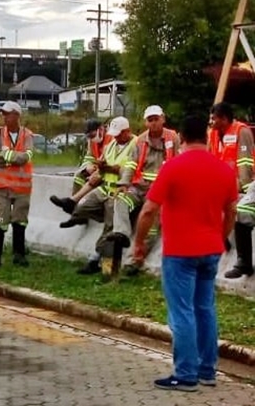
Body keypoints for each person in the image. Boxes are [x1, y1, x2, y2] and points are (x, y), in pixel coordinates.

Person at [132, 115, 237, 392]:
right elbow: (231, 213)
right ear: (205, 136)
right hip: (211, 250)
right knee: (205, 309)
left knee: (182, 312)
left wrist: (139, 242)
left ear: (182, 137)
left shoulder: (173, 167)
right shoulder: (225, 170)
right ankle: (207, 371)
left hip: (180, 252)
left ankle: (186, 374)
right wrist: (220, 237)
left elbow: (148, 210)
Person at [102, 105, 180, 276]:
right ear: (146, 122)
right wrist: (124, 183)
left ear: (163, 119)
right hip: (139, 187)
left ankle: (134, 261)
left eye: (156, 119)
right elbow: (131, 164)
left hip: (160, 191)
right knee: (120, 199)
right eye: (150, 120)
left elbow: (178, 162)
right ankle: (121, 233)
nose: (153, 123)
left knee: (150, 227)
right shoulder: (141, 140)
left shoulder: (173, 138)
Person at [64, 117, 138, 274]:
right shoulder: (111, 145)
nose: (116, 137)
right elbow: (102, 164)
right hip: (104, 189)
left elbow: (129, 171)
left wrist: (111, 169)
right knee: (82, 206)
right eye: (114, 134)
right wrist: (100, 168)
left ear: (127, 131)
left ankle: (102, 264)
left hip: (119, 192)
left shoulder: (135, 144)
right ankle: (100, 218)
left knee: (110, 229)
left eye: (119, 134)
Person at [0, 101, 34, 270]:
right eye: (3, 114)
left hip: (22, 188)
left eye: (7, 114)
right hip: (2, 187)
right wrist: (13, 157)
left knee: (20, 221)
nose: (4, 117)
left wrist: (6, 154)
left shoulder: (27, 135)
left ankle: (19, 255)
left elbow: (26, 157)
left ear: (17, 115)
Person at [208, 103, 255, 279]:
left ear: (225, 119)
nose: (211, 122)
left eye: (214, 118)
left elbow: (245, 162)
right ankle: (221, 241)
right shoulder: (213, 134)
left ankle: (240, 258)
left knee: (239, 210)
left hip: (239, 183)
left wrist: (244, 186)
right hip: (221, 182)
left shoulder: (241, 131)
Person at [50, 119, 112, 214]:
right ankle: (74, 205)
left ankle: (73, 204)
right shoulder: (92, 141)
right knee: (79, 175)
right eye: (89, 136)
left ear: (100, 129)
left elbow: (111, 161)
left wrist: (97, 171)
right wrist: (88, 166)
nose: (91, 138)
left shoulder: (111, 138)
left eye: (92, 135)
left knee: (94, 179)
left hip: (108, 171)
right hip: (98, 168)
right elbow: (89, 157)